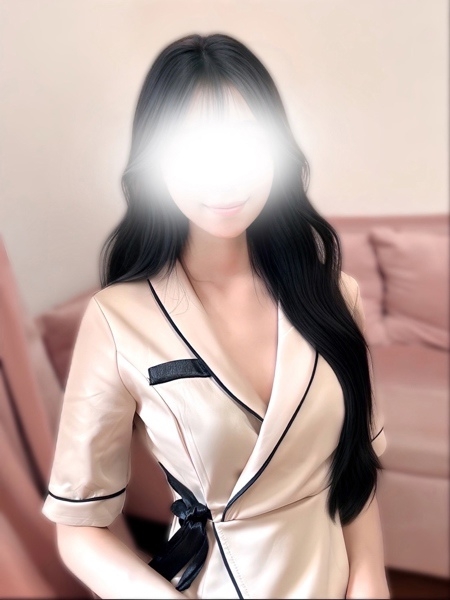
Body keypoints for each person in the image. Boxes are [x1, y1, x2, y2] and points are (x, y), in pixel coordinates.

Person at [41, 33, 390, 599]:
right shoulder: (118, 318)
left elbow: (356, 469)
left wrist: (370, 582)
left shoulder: (334, 295)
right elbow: (78, 529)